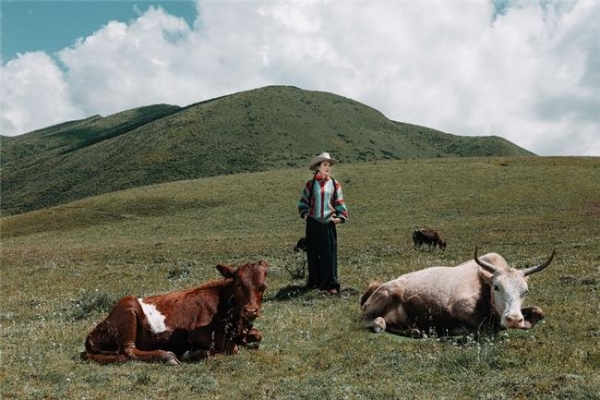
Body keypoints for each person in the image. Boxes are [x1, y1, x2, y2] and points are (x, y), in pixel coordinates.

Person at [298, 152, 348, 295]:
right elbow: (303, 201)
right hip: (313, 223)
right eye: (325, 165)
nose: (328, 167)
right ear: (318, 167)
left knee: (329, 254)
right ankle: (314, 282)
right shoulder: (310, 184)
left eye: (329, 165)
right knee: (313, 253)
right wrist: (305, 213)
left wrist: (341, 217)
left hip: (328, 223)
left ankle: (330, 284)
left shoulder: (334, 184)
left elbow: (339, 202)